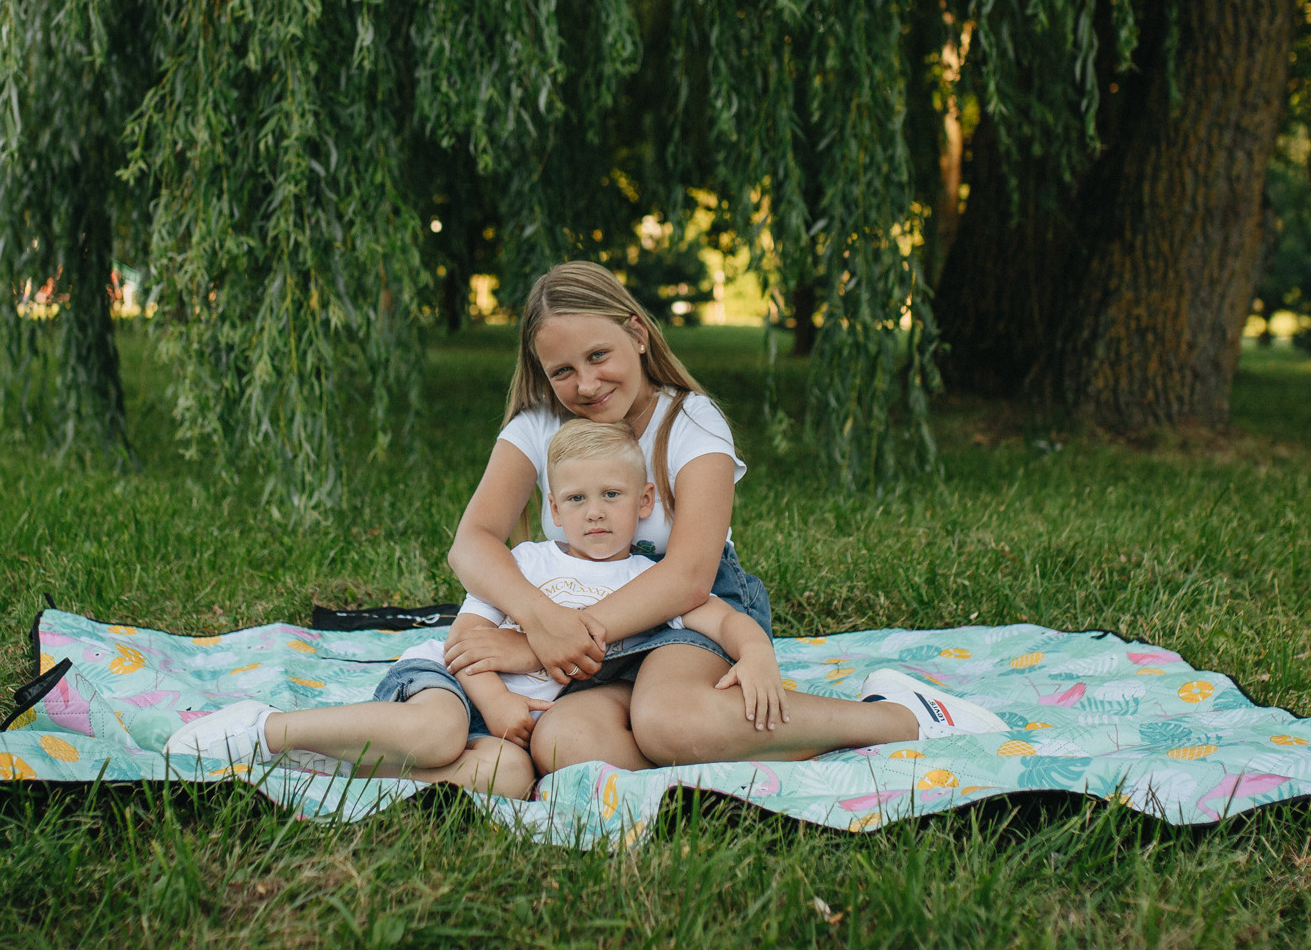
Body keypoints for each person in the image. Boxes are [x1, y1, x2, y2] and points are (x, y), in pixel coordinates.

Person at [442, 261, 1002, 775]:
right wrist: (540, 617)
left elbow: (688, 576)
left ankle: (897, 716)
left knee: (669, 720)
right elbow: (472, 542)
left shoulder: (690, 421)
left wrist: (552, 640)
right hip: (592, 637)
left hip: (692, 614)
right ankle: (714, 746)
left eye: (598, 356)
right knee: (564, 744)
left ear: (637, 335)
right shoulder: (539, 426)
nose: (585, 384)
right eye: (562, 370)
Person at [165, 422, 783, 797]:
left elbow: (719, 617)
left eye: (612, 495)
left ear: (645, 500)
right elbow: (463, 642)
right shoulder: (528, 562)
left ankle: (331, 772)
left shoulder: (646, 581)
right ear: (553, 509)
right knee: (438, 734)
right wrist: (496, 701)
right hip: (453, 685)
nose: (595, 512)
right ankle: (268, 729)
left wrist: (755, 653)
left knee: (512, 780)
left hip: (510, 733)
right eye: (576, 499)